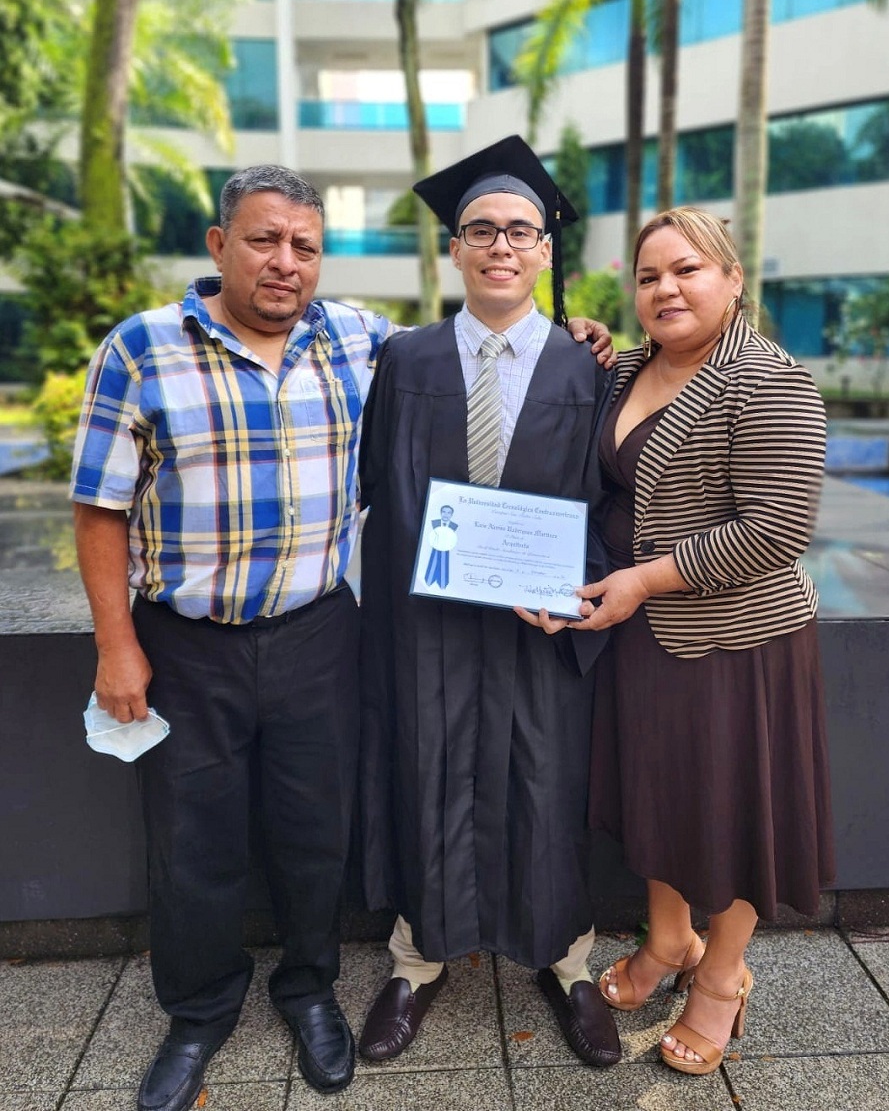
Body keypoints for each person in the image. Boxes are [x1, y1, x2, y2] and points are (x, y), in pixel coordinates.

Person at [69, 163, 612, 1111]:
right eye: (264, 240)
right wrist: (116, 646)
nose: (285, 262)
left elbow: (600, 476)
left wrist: (583, 336)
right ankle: (210, 1012)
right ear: (221, 245)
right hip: (210, 639)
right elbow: (100, 504)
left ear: (544, 249)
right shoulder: (157, 348)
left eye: (304, 247)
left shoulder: (377, 342)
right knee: (195, 838)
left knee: (320, 831)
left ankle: (342, 987)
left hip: (355, 631)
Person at [522, 206, 835, 1076]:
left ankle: (723, 976)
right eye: (648, 275)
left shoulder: (768, 381)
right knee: (660, 799)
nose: (665, 288)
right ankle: (669, 939)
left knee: (730, 815)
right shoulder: (629, 370)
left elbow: (776, 529)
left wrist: (645, 581)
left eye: (687, 269)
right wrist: (577, 336)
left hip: (736, 643)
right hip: (640, 639)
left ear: (733, 279)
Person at [357, 136, 621, 1069]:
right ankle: (416, 962)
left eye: (520, 230)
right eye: (481, 230)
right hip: (427, 629)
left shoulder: (589, 366)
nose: (501, 245)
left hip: (540, 632)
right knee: (425, 771)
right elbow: (376, 499)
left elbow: (610, 500)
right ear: (458, 249)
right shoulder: (406, 358)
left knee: (547, 785)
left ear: (546, 248)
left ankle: (569, 962)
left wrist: (575, 595)